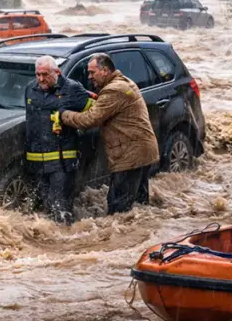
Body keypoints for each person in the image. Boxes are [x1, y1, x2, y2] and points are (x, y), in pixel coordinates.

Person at [61, 53, 159, 215]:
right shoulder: (123, 82)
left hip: (130, 156)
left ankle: (126, 238)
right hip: (141, 151)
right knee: (138, 205)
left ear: (105, 71)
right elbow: (110, 104)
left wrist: (64, 115)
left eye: (92, 72)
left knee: (118, 208)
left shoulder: (114, 90)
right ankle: (144, 235)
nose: (89, 77)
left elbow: (90, 120)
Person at [24, 55, 93, 224]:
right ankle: (50, 242)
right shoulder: (30, 89)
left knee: (60, 206)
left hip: (62, 160)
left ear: (57, 72)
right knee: (46, 206)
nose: (41, 79)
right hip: (37, 160)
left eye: (45, 74)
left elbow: (93, 113)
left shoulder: (72, 89)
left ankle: (66, 240)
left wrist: (68, 118)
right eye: (38, 74)